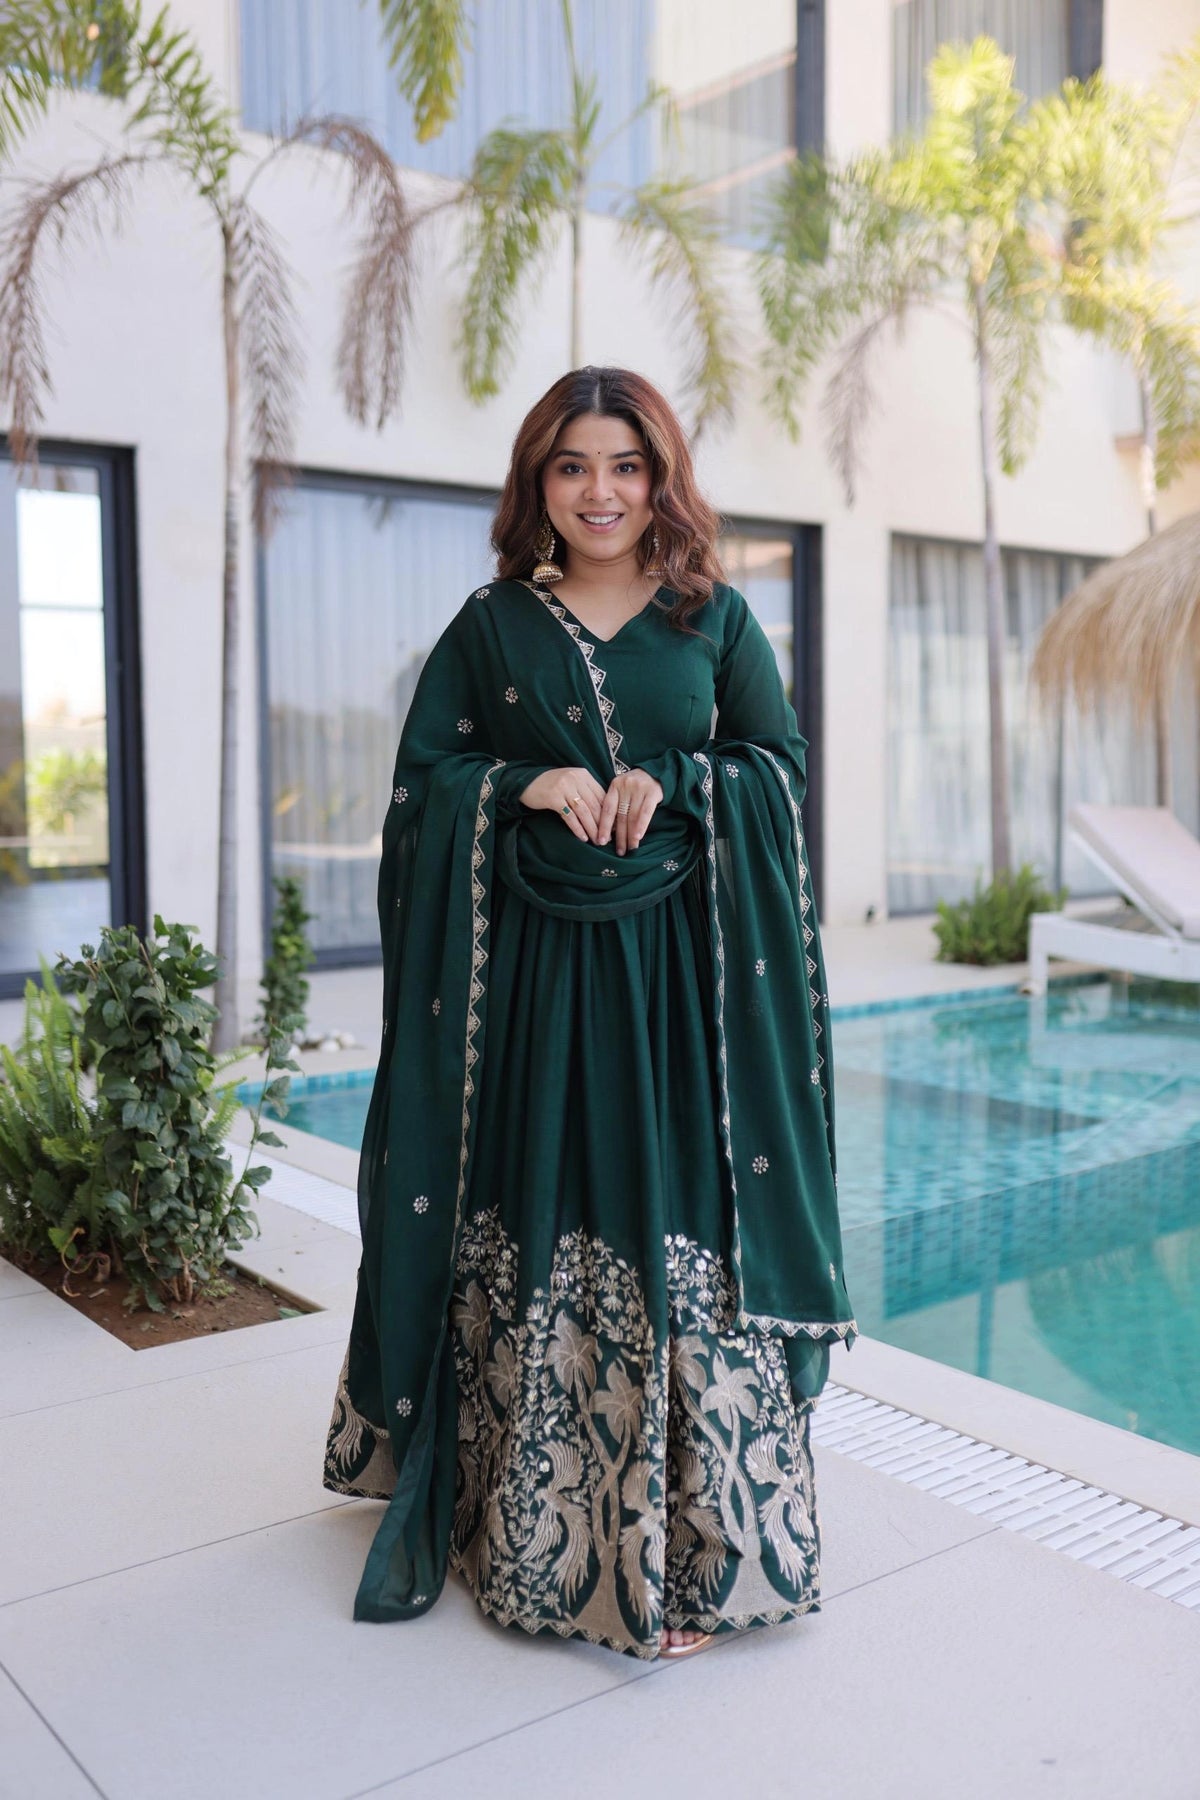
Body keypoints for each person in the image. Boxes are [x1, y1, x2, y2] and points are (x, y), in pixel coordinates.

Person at [322, 364, 857, 1662]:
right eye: (573, 466)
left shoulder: (712, 619)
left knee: (673, 1219)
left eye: (625, 465)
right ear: (537, 484)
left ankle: (694, 1552)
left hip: (685, 1001)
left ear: (659, 478)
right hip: (536, 999)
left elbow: (776, 771)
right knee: (551, 1208)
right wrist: (525, 783)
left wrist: (672, 784)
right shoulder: (495, 623)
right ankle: (533, 1534)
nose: (601, 491)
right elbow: (423, 784)